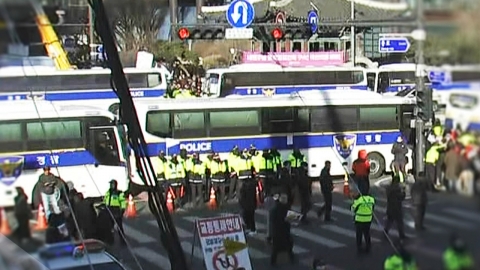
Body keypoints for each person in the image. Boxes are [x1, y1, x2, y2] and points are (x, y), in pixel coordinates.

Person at [270, 193, 295, 266]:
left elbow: (272, 220)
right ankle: (291, 258)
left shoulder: (275, 209)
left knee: (276, 248)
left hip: (277, 231)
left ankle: (273, 262)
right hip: (285, 230)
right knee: (289, 245)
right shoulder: (287, 208)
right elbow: (291, 218)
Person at [351, 186, 375, 254]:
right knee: (367, 233)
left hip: (359, 219)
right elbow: (373, 208)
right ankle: (368, 246)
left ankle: (359, 247)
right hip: (368, 219)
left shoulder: (359, 200)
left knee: (359, 234)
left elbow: (353, 209)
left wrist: (354, 200)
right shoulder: (371, 199)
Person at [103, 179, 127, 245]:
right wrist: (104, 206)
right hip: (109, 209)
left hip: (116, 210)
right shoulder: (108, 192)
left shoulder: (119, 193)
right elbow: (105, 200)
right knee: (110, 227)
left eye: (112, 184)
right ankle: (110, 241)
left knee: (119, 228)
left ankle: (123, 242)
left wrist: (122, 210)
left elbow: (122, 201)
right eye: (110, 184)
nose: (111, 185)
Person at [384, 174, 407, 240]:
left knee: (389, 222)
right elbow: (401, 197)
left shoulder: (388, 188)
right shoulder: (397, 189)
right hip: (397, 208)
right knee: (399, 222)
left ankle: (385, 233)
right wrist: (403, 192)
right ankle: (401, 235)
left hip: (390, 207)